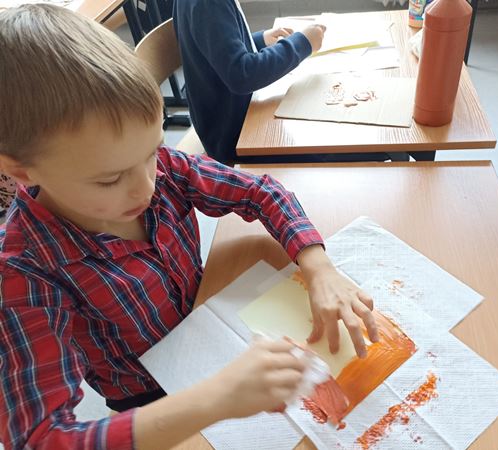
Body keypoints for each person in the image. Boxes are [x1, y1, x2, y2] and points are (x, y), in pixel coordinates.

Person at [0, 5, 379, 450]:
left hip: (211, 329)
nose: (146, 187)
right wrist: (215, 399)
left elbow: (261, 193)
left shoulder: (161, 168)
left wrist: (318, 267)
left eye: (152, 151)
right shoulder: (23, 272)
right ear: (22, 171)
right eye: (109, 179)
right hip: (150, 398)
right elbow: (42, 437)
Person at [173, 0, 396, 164]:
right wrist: (303, 43)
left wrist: (258, 40)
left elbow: (218, 47)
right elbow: (242, 75)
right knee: (351, 143)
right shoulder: (208, 4)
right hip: (235, 136)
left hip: (234, 117)